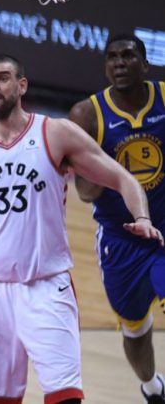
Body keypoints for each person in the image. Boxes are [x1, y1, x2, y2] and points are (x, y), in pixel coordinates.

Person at [0, 54, 164, 404]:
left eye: (3, 78)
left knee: (66, 397)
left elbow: (124, 179)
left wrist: (142, 218)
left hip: (47, 286)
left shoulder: (54, 134)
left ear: (22, 86)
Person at [69, 33, 165, 403]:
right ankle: (152, 387)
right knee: (135, 331)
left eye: (127, 55)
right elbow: (84, 192)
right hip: (120, 240)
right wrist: (102, 169)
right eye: (112, 57)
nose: (119, 63)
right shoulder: (87, 115)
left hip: (162, 231)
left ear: (146, 63)